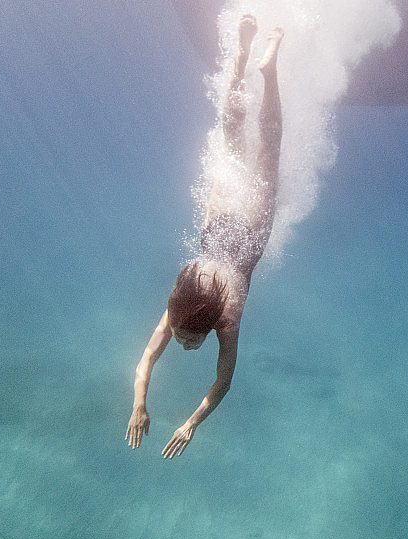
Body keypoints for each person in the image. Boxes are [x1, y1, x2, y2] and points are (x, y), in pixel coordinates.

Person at [125, 14, 283, 458]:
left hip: (250, 232)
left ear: (207, 325)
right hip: (217, 223)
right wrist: (139, 406)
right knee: (231, 141)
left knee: (267, 146)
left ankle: (262, 70)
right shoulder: (178, 307)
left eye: (185, 341)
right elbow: (145, 364)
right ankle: (245, 60)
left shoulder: (226, 320)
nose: (180, 342)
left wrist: (191, 423)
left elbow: (224, 382)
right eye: (182, 338)